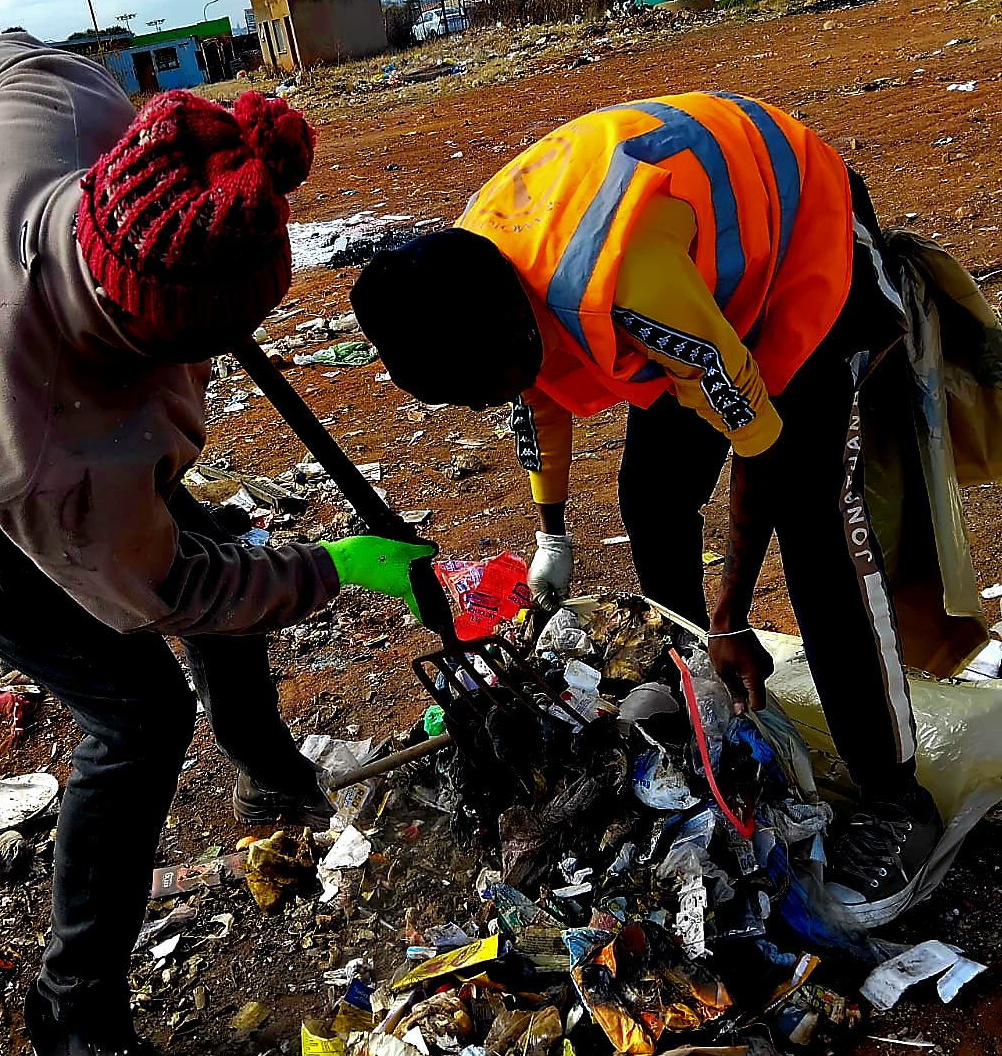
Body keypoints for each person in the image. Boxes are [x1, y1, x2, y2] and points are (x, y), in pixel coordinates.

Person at [0, 33, 429, 1056]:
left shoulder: (64, 102)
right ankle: (74, 1026)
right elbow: (161, 590)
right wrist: (330, 569)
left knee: (229, 538)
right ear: (137, 333)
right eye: (196, 345)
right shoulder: (49, 439)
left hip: (63, 381)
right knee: (140, 709)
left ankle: (270, 785)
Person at [351, 91, 944, 930]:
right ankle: (700, 689)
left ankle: (895, 799)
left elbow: (761, 448)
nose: (497, 407)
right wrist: (550, 530)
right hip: (686, 263)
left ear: (521, 333)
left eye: (490, 389)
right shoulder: (469, 272)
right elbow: (535, 397)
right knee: (652, 496)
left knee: (813, 524)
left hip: (797, 238)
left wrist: (734, 615)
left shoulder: (627, 294)